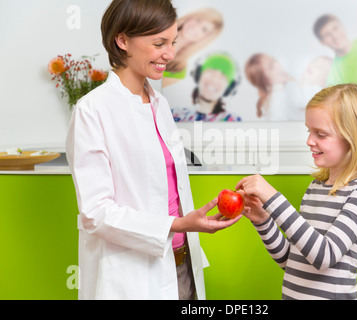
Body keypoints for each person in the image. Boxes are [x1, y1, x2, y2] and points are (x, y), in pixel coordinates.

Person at [66, 0, 241, 300]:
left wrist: (185, 227)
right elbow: (96, 212)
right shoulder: (92, 111)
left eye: (172, 42)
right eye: (159, 43)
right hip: (132, 274)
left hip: (181, 261)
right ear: (122, 41)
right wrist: (178, 224)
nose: (170, 54)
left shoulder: (159, 104)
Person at [236, 84, 357, 300]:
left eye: (321, 134)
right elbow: (291, 260)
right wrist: (263, 220)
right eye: (309, 131)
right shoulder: (316, 187)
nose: (309, 141)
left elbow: (325, 255)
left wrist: (272, 197)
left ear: (354, 137)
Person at [245, 53, 331, 121]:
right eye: (271, 67)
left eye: (274, 60)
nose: (277, 64)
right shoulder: (279, 97)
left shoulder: (291, 84)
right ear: (266, 81)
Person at [162, 8, 223, 88]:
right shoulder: (160, 25)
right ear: (191, 17)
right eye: (198, 20)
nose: (196, 27)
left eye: (204, 29)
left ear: (205, 38)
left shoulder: (178, 70)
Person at [172, 52, 242, 122]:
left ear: (228, 89)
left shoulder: (234, 121)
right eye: (211, 71)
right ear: (198, 75)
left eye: (222, 77)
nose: (214, 80)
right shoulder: (174, 114)